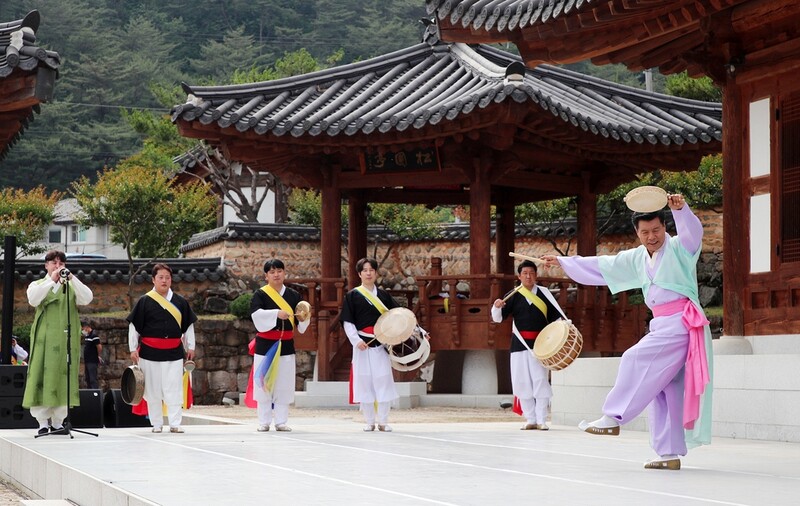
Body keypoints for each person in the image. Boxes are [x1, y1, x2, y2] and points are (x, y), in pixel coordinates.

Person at [542, 193, 713, 470]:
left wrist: (681, 211)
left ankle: (614, 416)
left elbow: (694, 233)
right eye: (645, 232)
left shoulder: (681, 247)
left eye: (657, 230)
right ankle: (667, 454)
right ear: (637, 232)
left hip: (681, 323)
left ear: (665, 228)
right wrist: (564, 263)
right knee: (663, 389)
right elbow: (603, 265)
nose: (652, 236)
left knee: (634, 358)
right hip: (661, 324)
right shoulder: (637, 258)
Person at [22, 250, 93, 435]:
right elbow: (33, 299)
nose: (58, 265)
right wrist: (51, 280)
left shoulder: (70, 285)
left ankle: (58, 421)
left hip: (66, 339)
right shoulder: (37, 284)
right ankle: (42, 422)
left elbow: (87, 298)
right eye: (53, 262)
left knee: (65, 375)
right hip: (44, 339)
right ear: (46, 265)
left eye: (61, 262)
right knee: (42, 375)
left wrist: (72, 279)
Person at [491, 260, 567, 431]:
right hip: (519, 344)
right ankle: (530, 419)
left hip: (541, 346)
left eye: (531, 273)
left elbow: (557, 317)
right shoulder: (513, 294)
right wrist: (496, 307)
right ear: (519, 276)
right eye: (525, 273)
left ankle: (541, 419)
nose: (528, 276)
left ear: (536, 275)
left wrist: (564, 330)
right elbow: (498, 318)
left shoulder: (545, 294)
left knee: (540, 380)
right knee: (522, 381)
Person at [128, 263, 197, 434]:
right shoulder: (144, 301)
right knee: (152, 390)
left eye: (167, 277)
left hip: (173, 352)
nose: (164, 280)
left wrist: (191, 346)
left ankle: (175, 423)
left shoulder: (180, 302)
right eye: (160, 277)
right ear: (153, 279)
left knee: (173, 388)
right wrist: (133, 348)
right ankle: (156, 424)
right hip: (149, 353)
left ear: (171, 280)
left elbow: (188, 326)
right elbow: (134, 327)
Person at [248, 258, 309, 432]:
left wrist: (305, 316)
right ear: (266, 275)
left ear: (284, 273)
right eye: (272, 272)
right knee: (264, 382)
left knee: (284, 383)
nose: (276, 275)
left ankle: (281, 421)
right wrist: (276, 313)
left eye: (279, 271)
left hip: (286, 344)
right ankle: (264, 421)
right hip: (266, 344)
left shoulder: (293, 295)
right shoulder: (260, 294)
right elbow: (256, 315)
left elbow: (301, 320)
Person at [340, 258, 400, 432]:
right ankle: (369, 421)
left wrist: (419, 330)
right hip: (362, 345)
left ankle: (383, 421)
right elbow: (347, 321)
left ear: (375, 273)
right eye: (364, 270)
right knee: (364, 381)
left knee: (383, 380)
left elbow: (398, 316)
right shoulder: (352, 296)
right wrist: (356, 340)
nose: (368, 273)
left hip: (380, 344)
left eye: (371, 270)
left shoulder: (383, 296)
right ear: (359, 274)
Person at [81, 320, 102, 389]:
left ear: (87, 327)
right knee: (88, 378)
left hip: (92, 361)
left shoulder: (94, 335)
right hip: (87, 361)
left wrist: (98, 355)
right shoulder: (87, 336)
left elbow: (99, 347)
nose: (83, 331)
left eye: (83, 329)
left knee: (93, 379)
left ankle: (95, 393)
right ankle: (90, 393)